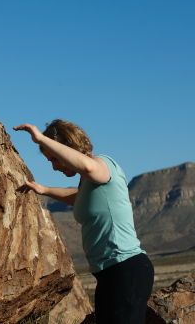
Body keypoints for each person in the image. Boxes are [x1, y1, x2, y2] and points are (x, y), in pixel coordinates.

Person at [14, 119, 154, 324]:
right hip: (108, 274)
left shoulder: (104, 164)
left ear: (68, 148)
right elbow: (76, 196)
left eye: (54, 158)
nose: (54, 167)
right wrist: (44, 190)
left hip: (126, 269)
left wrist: (40, 138)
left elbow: (87, 166)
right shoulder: (88, 183)